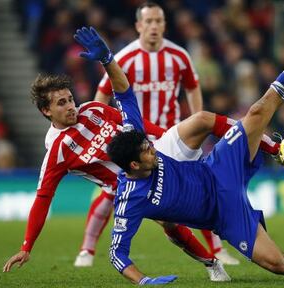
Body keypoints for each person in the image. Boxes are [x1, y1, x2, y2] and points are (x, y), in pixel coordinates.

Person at [71, 16, 284, 284]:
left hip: (218, 168)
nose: (153, 149)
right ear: (133, 165)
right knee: (279, 265)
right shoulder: (129, 199)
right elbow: (117, 254)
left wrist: (108, 60)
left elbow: (124, 93)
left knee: (256, 112)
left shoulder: (134, 135)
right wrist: (143, 280)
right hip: (223, 215)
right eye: (147, 150)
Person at [1, 72, 237, 281]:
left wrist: (166, 136)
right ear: (46, 110)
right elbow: (43, 197)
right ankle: (212, 262)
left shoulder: (94, 110)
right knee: (169, 222)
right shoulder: (57, 152)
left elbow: (134, 123)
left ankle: (230, 226)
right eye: (61, 103)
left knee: (199, 192)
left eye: (70, 99)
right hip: (130, 188)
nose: (71, 106)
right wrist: (27, 246)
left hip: (152, 160)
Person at [75, 1, 240, 267]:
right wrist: (101, 130)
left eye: (158, 21)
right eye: (148, 21)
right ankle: (87, 249)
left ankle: (217, 252)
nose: (153, 26)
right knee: (111, 193)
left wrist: (198, 124)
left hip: (172, 138)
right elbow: (103, 94)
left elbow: (192, 87)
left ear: (164, 24)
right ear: (139, 25)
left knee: (199, 190)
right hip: (138, 141)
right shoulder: (126, 58)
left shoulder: (179, 56)